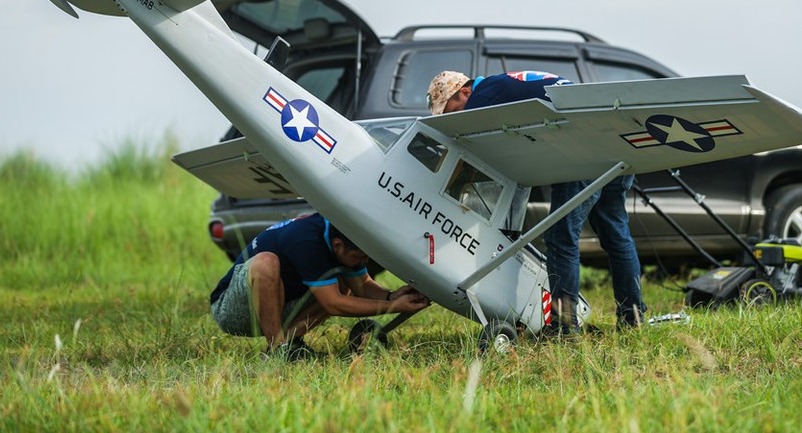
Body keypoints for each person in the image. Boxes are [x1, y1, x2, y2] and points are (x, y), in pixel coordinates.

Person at [427, 70, 646, 334]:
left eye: (451, 110)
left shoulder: (480, 99)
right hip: (612, 139)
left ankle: (564, 326)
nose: (454, 119)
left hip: (584, 150)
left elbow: (475, 157)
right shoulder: (501, 85)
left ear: (464, 91)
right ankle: (632, 319)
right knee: (615, 235)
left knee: (561, 236)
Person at [210, 212, 428, 360]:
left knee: (342, 283)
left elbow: (362, 285)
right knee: (266, 262)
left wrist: (391, 297)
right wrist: (395, 307)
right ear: (338, 245)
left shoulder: (340, 233)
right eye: (360, 257)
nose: (364, 262)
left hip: (278, 302)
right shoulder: (306, 240)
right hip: (232, 309)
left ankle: (287, 345)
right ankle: (278, 350)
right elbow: (333, 305)